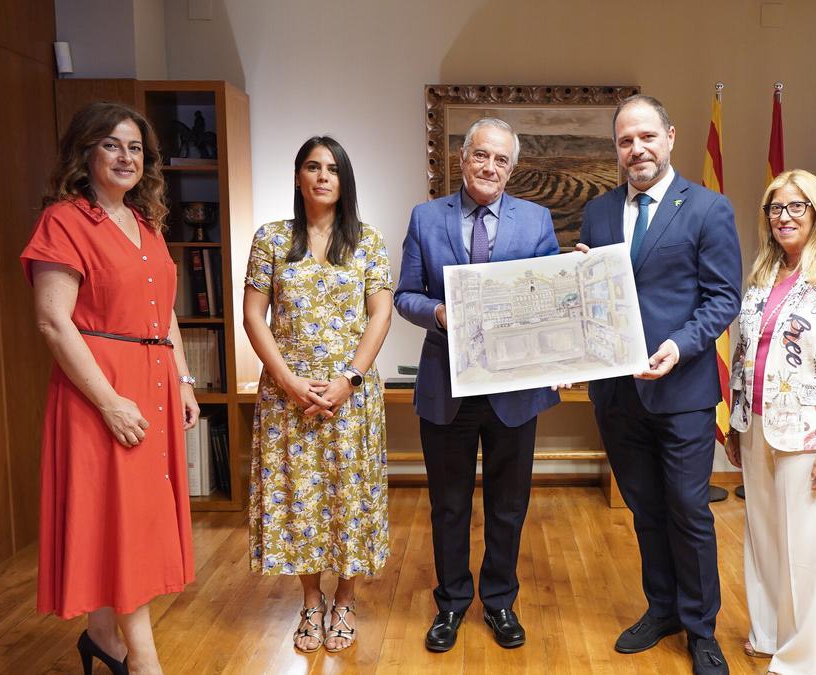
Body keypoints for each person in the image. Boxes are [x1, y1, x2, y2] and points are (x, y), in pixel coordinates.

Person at [22, 101, 198, 675]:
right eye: (112, 145)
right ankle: (144, 661)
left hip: (152, 382)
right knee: (120, 524)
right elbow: (53, 321)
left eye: (136, 149)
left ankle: (103, 637)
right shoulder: (64, 221)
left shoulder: (145, 224)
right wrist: (109, 401)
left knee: (130, 519)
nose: (126, 157)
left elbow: (164, 311)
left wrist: (184, 379)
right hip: (103, 390)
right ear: (86, 151)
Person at [577, 94, 741, 675]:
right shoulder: (597, 214)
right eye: (625, 141)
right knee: (645, 508)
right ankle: (662, 608)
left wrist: (679, 346)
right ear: (616, 149)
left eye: (646, 137)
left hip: (683, 392)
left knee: (688, 509)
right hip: (618, 395)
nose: (636, 149)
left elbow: (724, 297)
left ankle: (701, 629)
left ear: (670, 137)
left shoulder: (708, 208)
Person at [394, 117, 559, 652]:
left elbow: (550, 292)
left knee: (509, 505)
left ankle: (500, 601)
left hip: (514, 389)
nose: (490, 167)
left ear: (512, 168)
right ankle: (451, 604)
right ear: (462, 159)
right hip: (447, 385)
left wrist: (571, 275)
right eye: (480, 156)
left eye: (501, 160)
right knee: (448, 504)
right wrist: (441, 312)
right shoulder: (425, 218)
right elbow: (405, 295)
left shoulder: (535, 221)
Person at [243, 136, 393, 654]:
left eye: (333, 168)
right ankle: (311, 601)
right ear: (297, 177)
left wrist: (348, 379)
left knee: (347, 497)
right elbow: (252, 316)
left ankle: (345, 600)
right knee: (299, 498)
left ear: (344, 180)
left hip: (350, 394)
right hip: (289, 395)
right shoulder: (271, 239)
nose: (323, 176)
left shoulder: (367, 241)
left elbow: (380, 314)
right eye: (313, 166)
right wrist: (285, 379)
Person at [726, 169, 816, 675]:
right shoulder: (763, 277)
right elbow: (746, 351)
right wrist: (734, 418)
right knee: (763, 539)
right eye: (775, 209)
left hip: (808, 434)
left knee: (803, 549)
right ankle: (766, 634)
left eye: (795, 207)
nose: (783, 217)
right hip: (756, 424)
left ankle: (800, 656)